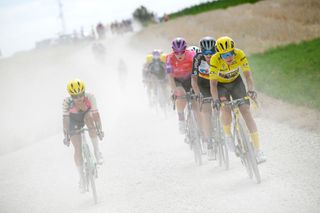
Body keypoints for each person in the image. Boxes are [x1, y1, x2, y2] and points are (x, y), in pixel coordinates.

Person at [209, 36, 266, 163]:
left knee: (246, 111)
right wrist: (215, 100)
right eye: (224, 55)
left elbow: (248, 76)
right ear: (219, 55)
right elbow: (213, 84)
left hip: (236, 82)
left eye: (230, 53)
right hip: (221, 86)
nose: (228, 57)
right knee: (226, 108)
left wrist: (250, 90)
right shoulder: (214, 59)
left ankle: (258, 150)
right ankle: (228, 135)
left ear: (234, 51)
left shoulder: (239, 54)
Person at [62, 79, 104, 191]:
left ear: (84, 92)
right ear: (71, 95)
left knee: (90, 120)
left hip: (86, 116)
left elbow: (96, 115)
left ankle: (96, 151)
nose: (78, 98)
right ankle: (81, 178)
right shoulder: (67, 102)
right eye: (75, 96)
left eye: (81, 94)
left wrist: (99, 129)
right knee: (77, 149)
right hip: (73, 121)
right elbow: (65, 120)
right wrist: (66, 135)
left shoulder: (90, 97)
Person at [191, 36, 216, 160]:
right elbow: (194, 80)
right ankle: (209, 143)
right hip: (203, 85)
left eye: (211, 52)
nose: (209, 55)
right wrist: (198, 94)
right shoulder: (198, 58)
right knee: (205, 111)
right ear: (201, 51)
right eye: (205, 53)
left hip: (216, 82)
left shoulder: (219, 56)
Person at [166, 37, 197, 134]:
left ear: (185, 50)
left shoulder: (192, 55)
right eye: (177, 52)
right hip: (178, 80)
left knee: (196, 101)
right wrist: (174, 91)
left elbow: (197, 73)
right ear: (173, 51)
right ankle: (181, 120)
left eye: (182, 52)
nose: (179, 55)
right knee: (180, 97)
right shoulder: (169, 58)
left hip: (190, 79)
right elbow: (170, 77)